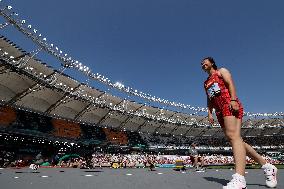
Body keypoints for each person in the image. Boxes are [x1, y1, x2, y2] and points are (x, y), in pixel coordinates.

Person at [201, 57, 278, 189]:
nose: (202, 64)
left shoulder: (221, 71)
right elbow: (209, 99)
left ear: (212, 63)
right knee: (236, 140)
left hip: (228, 104)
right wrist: (209, 113)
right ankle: (267, 166)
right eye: (201, 63)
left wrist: (233, 100)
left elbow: (230, 83)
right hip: (219, 111)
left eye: (204, 61)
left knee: (234, 137)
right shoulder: (206, 82)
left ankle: (240, 179)